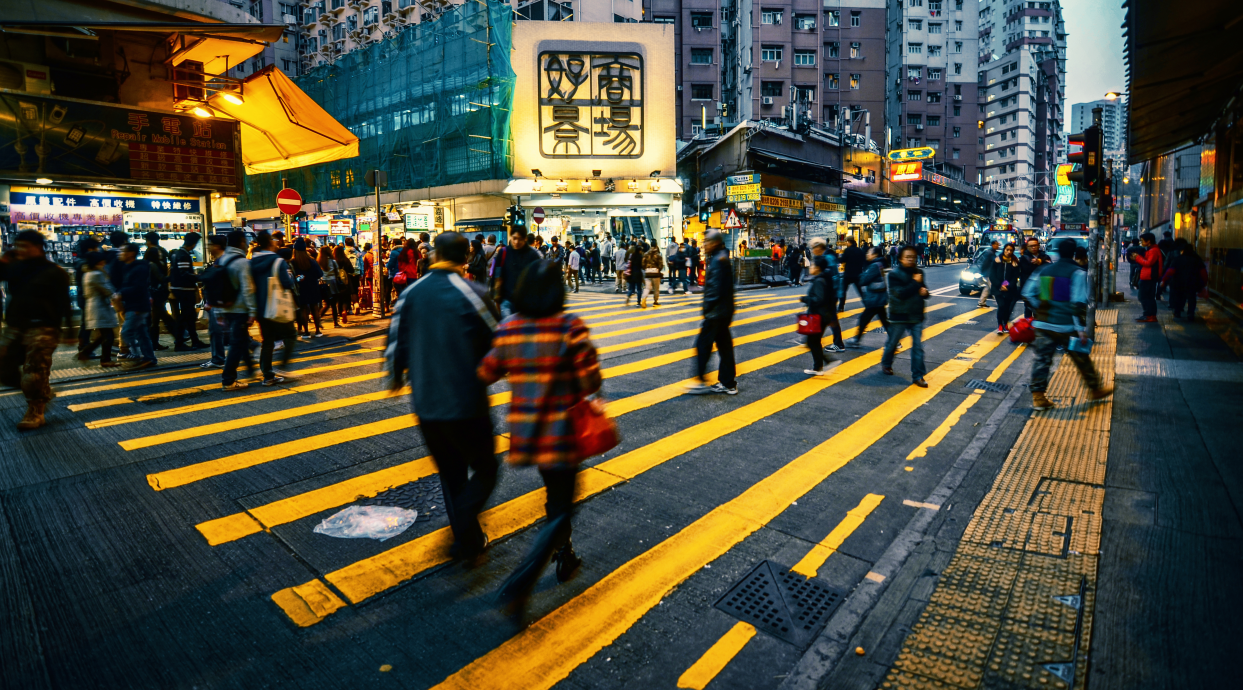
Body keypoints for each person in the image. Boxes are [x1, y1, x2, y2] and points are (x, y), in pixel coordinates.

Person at [478, 259, 600, 617]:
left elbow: (486, 371)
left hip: (528, 434)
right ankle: (521, 583)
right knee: (563, 506)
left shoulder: (509, 327)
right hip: (563, 432)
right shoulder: (569, 327)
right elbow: (592, 380)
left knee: (555, 498)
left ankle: (566, 555)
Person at [388, 231, 500, 568]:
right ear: (466, 258)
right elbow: (499, 340)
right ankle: (465, 527)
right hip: (467, 401)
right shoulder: (475, 293)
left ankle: (468, 544)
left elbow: (396, 345)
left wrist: (395, 377)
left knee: (451, 474)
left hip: (425, 402)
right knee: (486, 469)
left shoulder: (410, 295)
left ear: (434, 255)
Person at [1022, 238, 1113, 410]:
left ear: (1057, 251)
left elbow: (1027, 293)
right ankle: (1095, 389)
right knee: (1081, 359)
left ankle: (1038, 397)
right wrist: (1081, 329)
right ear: (1073, 253)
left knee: (1042, 359)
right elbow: (1078, 303)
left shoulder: (1043, 270)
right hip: (1067, 326)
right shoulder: (1077, 272)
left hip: (1043, 324)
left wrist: (1041, 307)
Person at [0, 230, 73, 429]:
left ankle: (35, 410)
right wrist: (5, 258)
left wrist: (69, 332)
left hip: (43, 327)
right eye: (18, 245)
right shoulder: (14, 267)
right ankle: (41, 392)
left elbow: (64, 302)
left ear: (38, 247)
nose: (20, 250)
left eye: (25, 246)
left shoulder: (55, 272)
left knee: (34, 371)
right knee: (4, 368)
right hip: (16, 325)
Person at [686, 230, 737, 395]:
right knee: (725, 348)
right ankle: (729, 383)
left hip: (716, 313)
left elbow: (714, 290)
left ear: (714, 242)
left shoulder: (717, 260)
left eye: (706, 241)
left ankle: (701, 381)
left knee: (702, 346)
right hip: (724, 311)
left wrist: (706, 309)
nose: (704, 244)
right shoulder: (722, 257)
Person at [249, 232, 297, 385]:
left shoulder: (250, 262)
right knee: (290, 335)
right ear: (269, 243)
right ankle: (282, 366)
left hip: (260, 308)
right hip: (277, 306)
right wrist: (291, 277)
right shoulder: (278, 261)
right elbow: (287, 283)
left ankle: (268, 375)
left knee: (267, 341)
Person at [880, 246, 929, 388]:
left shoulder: (919, 272)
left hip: (916, 315)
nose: (911, 259)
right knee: (893, 343)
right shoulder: (893, 275)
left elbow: (925, 292)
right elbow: (900, 293)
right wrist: (915, 283)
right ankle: (887, 363)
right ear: (901, 258)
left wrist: (925, 292)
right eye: (907, 257)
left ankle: (918, 375)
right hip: (899, 315)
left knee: (918, 347)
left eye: (913, 257)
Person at [219, 230, 257, 391]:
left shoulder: (222, 260)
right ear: (241, 242)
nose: (248, 243)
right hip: (240, 309)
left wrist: (219, 312)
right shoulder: (242, 262)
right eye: (246, 240)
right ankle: (228, 380)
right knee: (236, 343)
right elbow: (248, 289)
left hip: (226, 308)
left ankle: (251, 369)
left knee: (240, 340)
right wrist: (253, 310)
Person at [116, 243, 157, 370]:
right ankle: (149, 358)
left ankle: (136, 354)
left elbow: (138, 288)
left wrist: (121, 293)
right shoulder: (127, 267)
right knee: (141, 333)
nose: (120, 254)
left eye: (123, 251)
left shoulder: (139, 268)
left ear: (131, 253)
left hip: (137, 306)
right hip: (134, 305)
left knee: (127, 331)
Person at [802, 255, 843, 375]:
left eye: (813, 265)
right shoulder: (823, 278)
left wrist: (805, 299)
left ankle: (822, 365)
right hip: (822, 316)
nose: (811, 266)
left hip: (818, 316)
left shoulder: (819, 280)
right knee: (814, 341)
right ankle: (820, 365)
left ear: (818, 268)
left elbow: (818, 299)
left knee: (812, 341)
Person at [168, 231, 208, 350]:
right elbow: (184, 273)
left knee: (188, 317)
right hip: (184, 289)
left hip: (179, 289)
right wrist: (199, 277)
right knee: (186, 317)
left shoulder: (177, 253)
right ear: (194, 243)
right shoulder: (183, 255)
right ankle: (180, 343)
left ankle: (193, 341)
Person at [79, 252, 120, 369]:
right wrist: (116, 296)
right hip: (100, 307)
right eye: (102, 261)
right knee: (109, 335)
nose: (104, 263)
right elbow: (107, 290)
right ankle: (105, 360)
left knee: (104, 335)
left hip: (94, 306)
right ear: (98, 262)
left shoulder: (87, 273)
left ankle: (85, 352)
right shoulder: (97, 274)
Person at [491, 226, 542, 317]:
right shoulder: (503, 252)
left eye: (520, 239)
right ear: (511, 237)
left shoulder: (532, 255)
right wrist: (495, 296)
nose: (516, 242)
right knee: (508, 328)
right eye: (514, 238)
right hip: (506, 301)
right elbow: (496, 275)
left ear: (525, 239)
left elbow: (538, 279)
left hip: (526, 303)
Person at [847, 247, 891, 348]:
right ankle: (895, 341)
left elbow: (863, 280)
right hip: (878, 298)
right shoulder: (878, 264)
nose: (867, 254)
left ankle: (856, 340)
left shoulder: (874, 266)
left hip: (875, 299)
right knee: (884, 321)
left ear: (875, 255)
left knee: (864, 319)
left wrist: (862, 274)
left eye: (869, 252)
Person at [142, 232, 178, 352]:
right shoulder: (161, 251)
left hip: (154, 292)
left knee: (157, 317)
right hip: (159, 291)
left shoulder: (150, 254)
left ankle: (156, 342)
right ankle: (179, 335)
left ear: (149, 241)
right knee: (158, 317)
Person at [199, 236, 229, 369]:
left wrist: (211, 301)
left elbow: (219, 284)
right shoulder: (219, 261)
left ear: (217, 246)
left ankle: (218, 359)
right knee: (217, 331)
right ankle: (217, 358)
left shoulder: (223, 261)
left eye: (210, 244)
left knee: (219, 331)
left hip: (220, 304)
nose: (208, 247)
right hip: (218, 303)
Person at [1163, 238, 1208, 322]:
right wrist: (1203, 283)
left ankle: (1177, 312)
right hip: (1193, 282)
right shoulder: (1197, 260)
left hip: (1178, 282)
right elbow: (1203, 272)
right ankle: (1190, 313)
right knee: (1191, 298)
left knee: (1179, 297)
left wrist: (1164, 280)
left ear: (1183, 250)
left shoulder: (1178, 259)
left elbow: (1170, 271)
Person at [289, 238, 325, 340]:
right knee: (314, 309)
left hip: (300, 288)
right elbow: (320, 274)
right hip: (313, 287)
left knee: (303, 309)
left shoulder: (293, 262)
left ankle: (306, 332)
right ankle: (317, 330)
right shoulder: (312, 261)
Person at [991, 243, 1022, 335]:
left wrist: (1008, 286)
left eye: (1011, 250)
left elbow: (1015, 276)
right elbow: (992, 275)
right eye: (1007, 249)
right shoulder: (997, 260)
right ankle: (1000, 325)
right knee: (1001, 306)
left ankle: (1005, 323)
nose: (1008, 252)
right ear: (1004, 250)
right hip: (998, 289)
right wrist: (999, 285)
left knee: (1007, 308)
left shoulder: (1015, 262)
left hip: (1009, 289)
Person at [1018, 237, 1051, 319]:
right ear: (1027, 247)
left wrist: (1041, 261)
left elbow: (1049, 267)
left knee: (1040, 310)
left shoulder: (1045, 256)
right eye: (1031, 246)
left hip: (1042, 288)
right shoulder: (1023, 258)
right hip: (1028, 289)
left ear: (1038, 245)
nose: (1033, 247)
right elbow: (1026, 269)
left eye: (1035, 245)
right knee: (1028, 311)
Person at [1134, 232, 1163, 322]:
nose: (1141, 242)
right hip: (1148, 277)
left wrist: (1137, 257)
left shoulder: (1153, 250)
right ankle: (1149, 315)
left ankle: (1149, 315)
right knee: (1148, 297)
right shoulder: (1152, 250)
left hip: (1149, 278)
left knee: (1144, 297)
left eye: (1142, 241)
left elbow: (1148, 263)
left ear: (1148, 241)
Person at [317, 245, 342, 328]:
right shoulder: (333, 261)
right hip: (333, 283)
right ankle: (335, 322)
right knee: (334, 304)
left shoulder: (319, 261)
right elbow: (337, 272)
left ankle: (318, 318)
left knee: (326, 303)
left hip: (323, 283)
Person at [837, 237, 866, 311]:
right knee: (861, 291)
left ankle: (841, 307)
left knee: (843, 291)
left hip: (848, 274)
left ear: (849, 242)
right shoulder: (859, 250)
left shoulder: (848, 250)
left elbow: (842, 260)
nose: (846, 243)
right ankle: (867, 304)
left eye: (847, 242)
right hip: (858, 274)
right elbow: (863, 260)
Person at [975, 239, 1000, 308]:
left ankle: (981, 302)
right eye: (996, 244)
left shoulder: (991, 252)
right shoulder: (990, 253)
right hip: (988, 274)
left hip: (987, 273)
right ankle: (999, 303)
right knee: (993, 288)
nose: (998, 246)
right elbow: (993, 262)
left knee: (987, 288)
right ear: (993, 245)